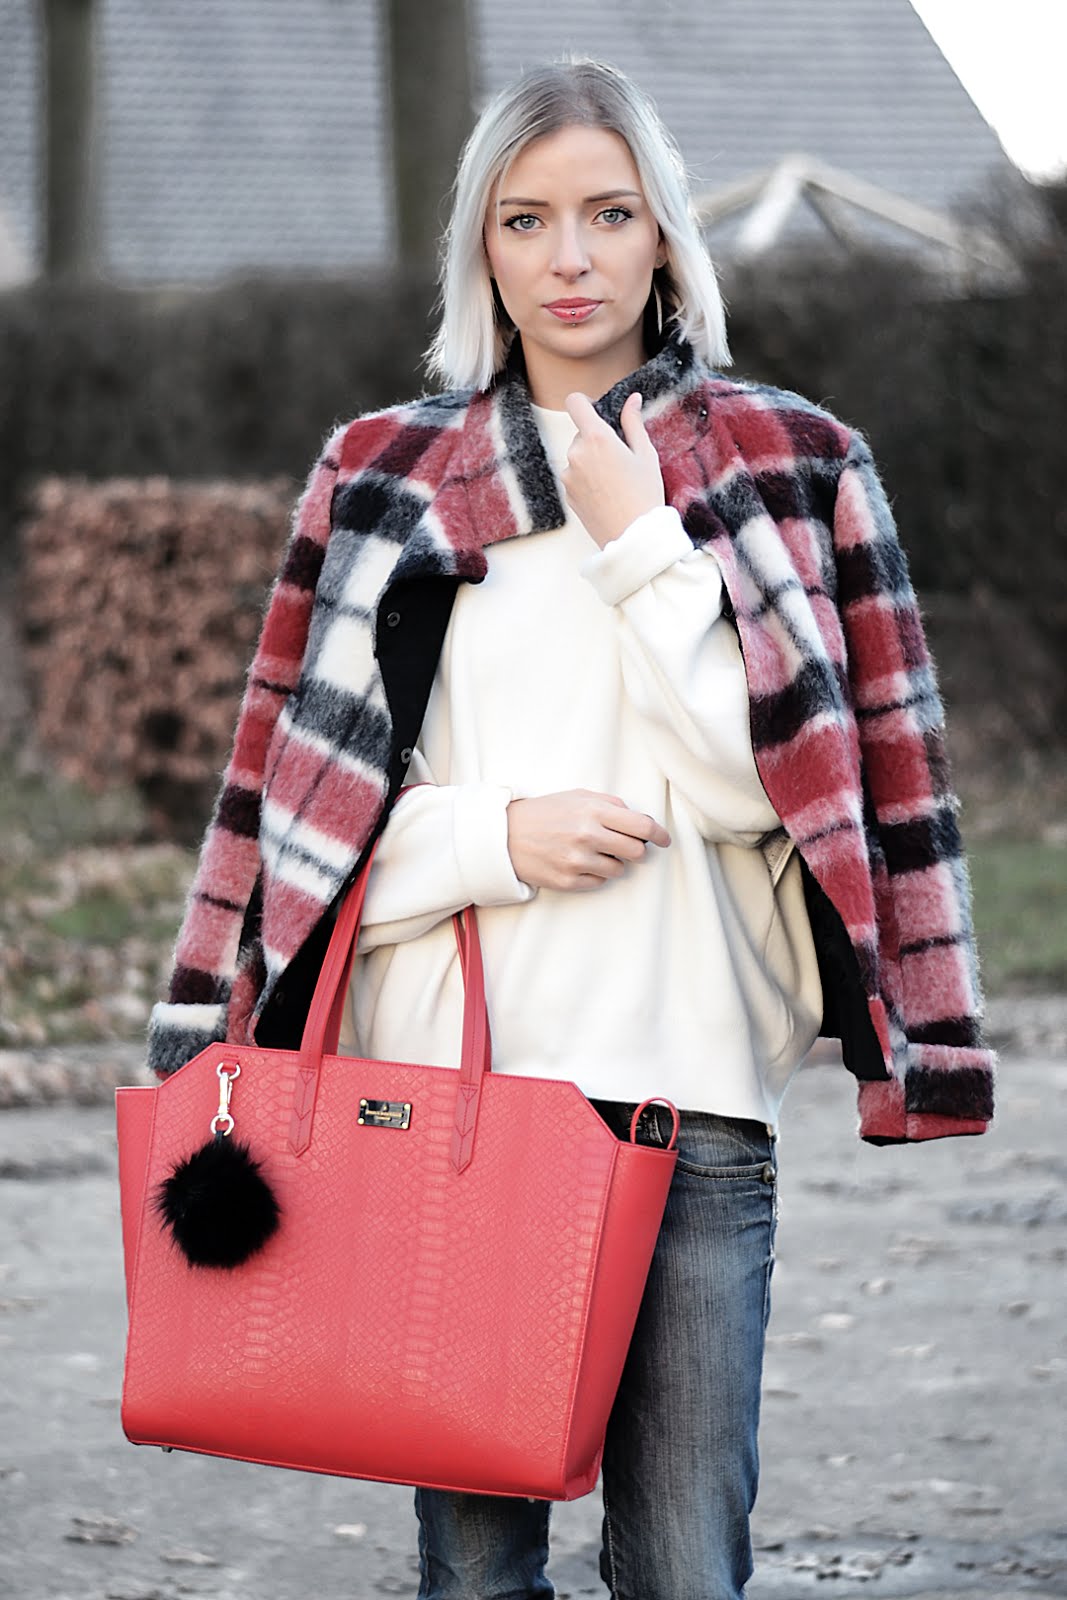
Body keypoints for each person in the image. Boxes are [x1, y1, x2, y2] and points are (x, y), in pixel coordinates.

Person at [148, 54, 996, 1600]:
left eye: (611, 214)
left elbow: (796, 800)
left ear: (668, 236)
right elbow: (302, 840)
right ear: (483, 246)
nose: (573, 256)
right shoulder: (383, 476)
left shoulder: (785, 464)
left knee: (683, 1572)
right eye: (528, 220)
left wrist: (636, 548)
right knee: (476, 1583)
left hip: (688, 1103)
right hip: (443, 1112)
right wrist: (497, 839)